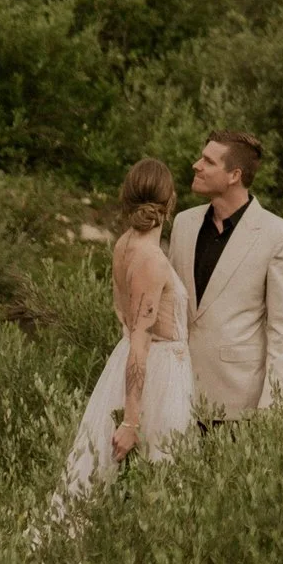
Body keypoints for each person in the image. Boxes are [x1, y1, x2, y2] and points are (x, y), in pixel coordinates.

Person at [53, 157, 195, 505]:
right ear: (171, 201)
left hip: (133, 364)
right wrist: (131, 421)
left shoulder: (125, 244)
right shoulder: (151, 258)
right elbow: (141, 340)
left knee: (120, 485)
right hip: (155, 375)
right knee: (157, 480)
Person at [167, 129, 283, 425]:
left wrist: (271, 411)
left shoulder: (280, 236)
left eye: (208, 161)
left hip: (238, 406)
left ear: (234, 175)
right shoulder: (183, 224)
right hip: (176, 395)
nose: (196, 165)